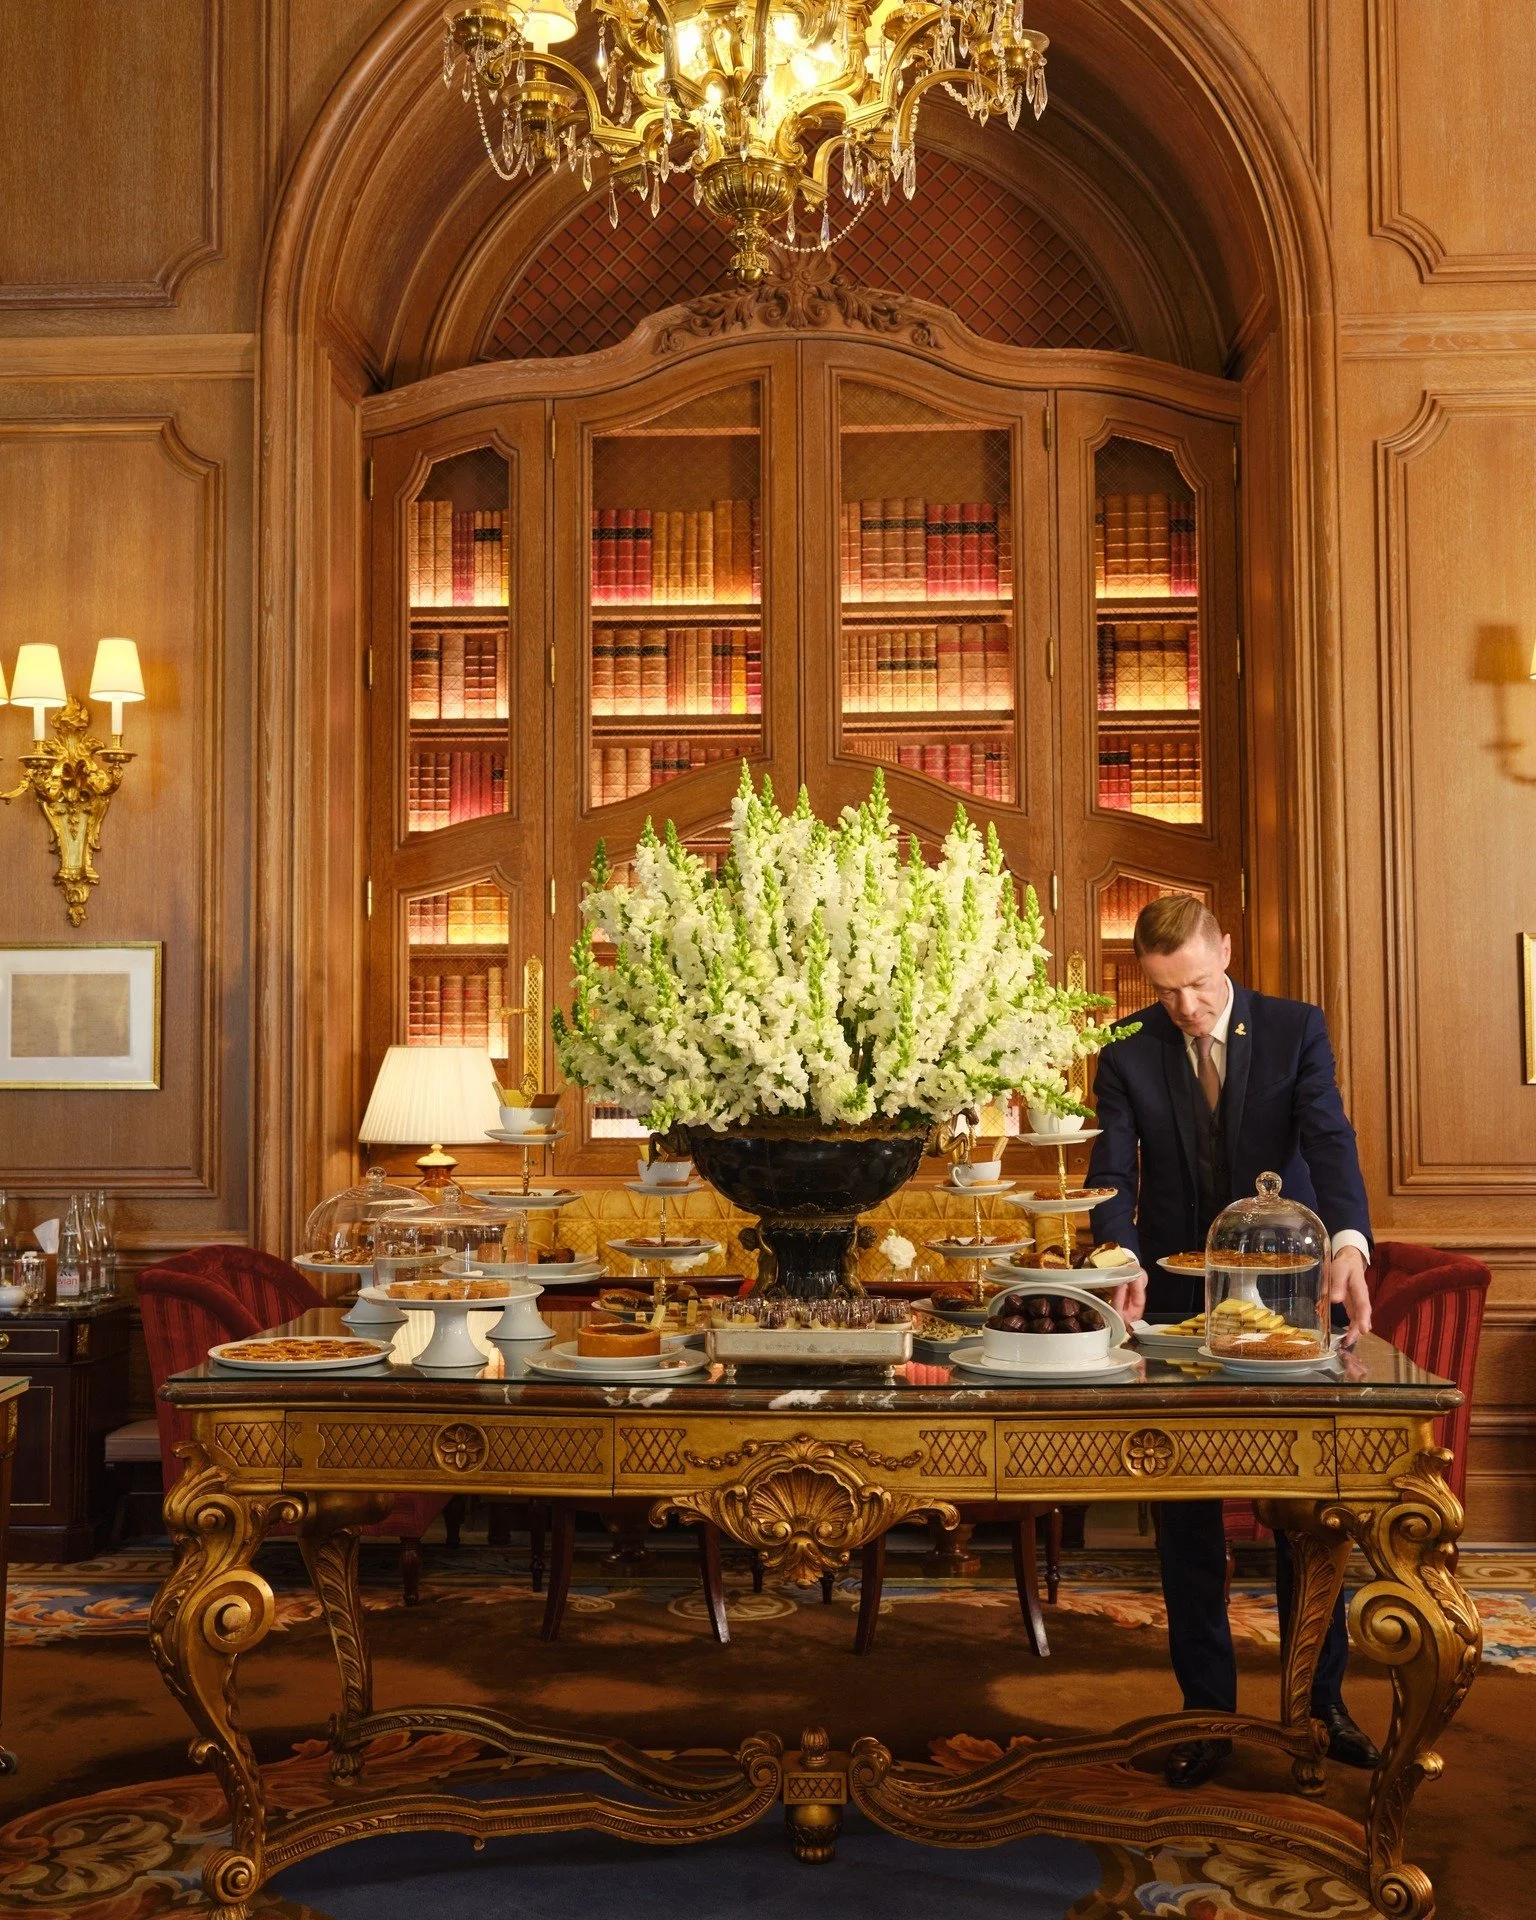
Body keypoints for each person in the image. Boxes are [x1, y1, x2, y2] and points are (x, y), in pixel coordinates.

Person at [1086, 894, 1381, 1789]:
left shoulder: (1295, 1030)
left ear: (1228, 951)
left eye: (1201, 983)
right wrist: (1118, 1255)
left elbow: (1329, 1141)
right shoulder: (1127, 1050)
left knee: (1307, 1514)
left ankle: (1318, 1707)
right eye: (1167, 991)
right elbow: (1110, 1175)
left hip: (1288, 1299)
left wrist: (1348, 1245)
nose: (1188, 1006)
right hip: (1173, 1304)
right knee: (1187, 1517)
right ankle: (1206, 1713)